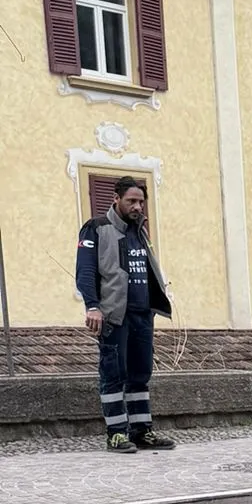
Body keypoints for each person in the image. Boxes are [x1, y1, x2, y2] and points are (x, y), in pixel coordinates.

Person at [76, 176, 175, 453]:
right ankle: (116, 434)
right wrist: (92, 306)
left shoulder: (140, 230)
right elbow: (85, 271)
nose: (137, 207)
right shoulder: (96, 228)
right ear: (116, 199)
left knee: (140, 375)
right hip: (114, 316)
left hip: (142, 315)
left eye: (141, 202)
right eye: (131, 201)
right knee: (113, 375)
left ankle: (142, 431)